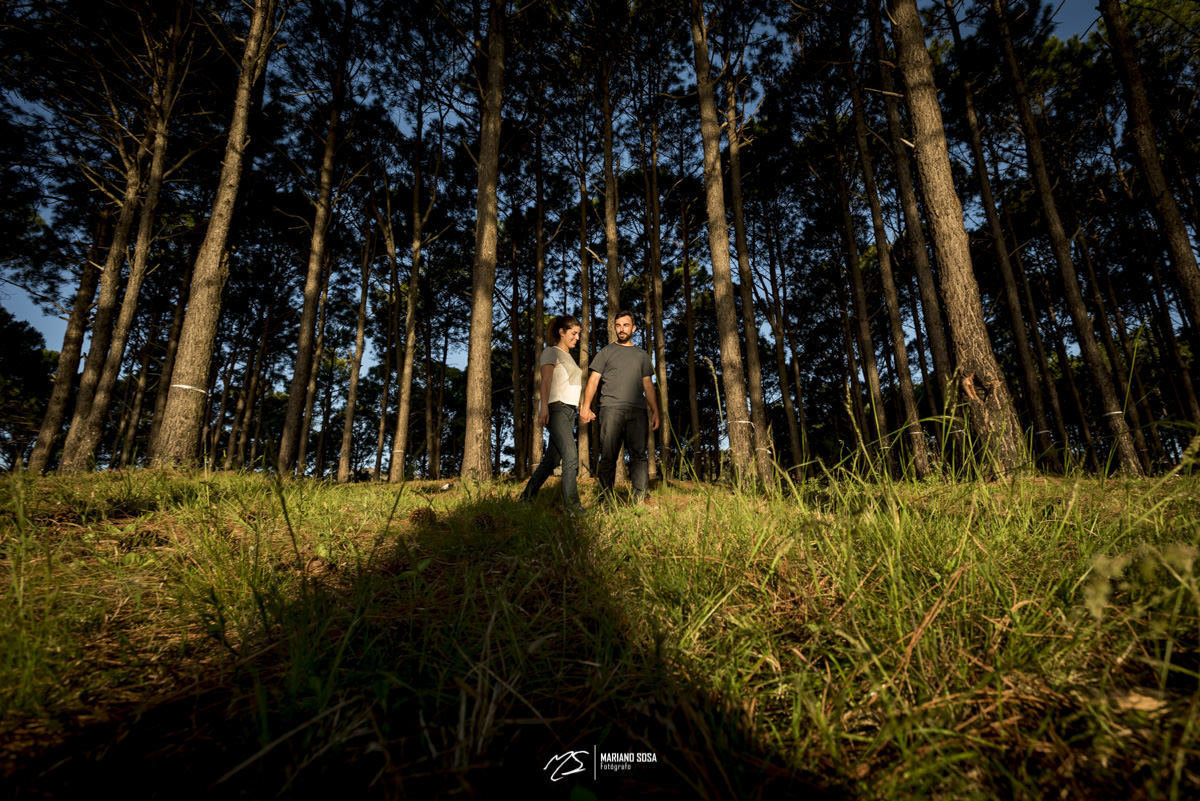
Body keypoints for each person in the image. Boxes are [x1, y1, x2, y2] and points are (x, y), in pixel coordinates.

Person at [579, 310, 660, 504]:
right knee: (608, 456)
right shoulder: (606, 352)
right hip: (611, 409)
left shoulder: (641, 355)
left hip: (638, 411)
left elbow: (648, 384)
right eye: (618, 325)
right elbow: (593, 380)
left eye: (625, 325)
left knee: (639, 456)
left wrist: (656, 410)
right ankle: (605, 499)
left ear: (633, 328)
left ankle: (641, 499)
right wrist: (586, 406)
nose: (621, 329)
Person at [519, 315, 584, 513]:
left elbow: (569, 385)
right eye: (573, 333)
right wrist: (543, 408)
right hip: (556, 409)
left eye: (579, 334)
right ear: (561, 332)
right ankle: (573, 507)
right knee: (571, 456)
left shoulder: (569, 357)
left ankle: (525, 498)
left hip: (569, 411)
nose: (577, 337)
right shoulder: (551, 352)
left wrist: (581, 406)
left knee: (552, 460)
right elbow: (545, 382)